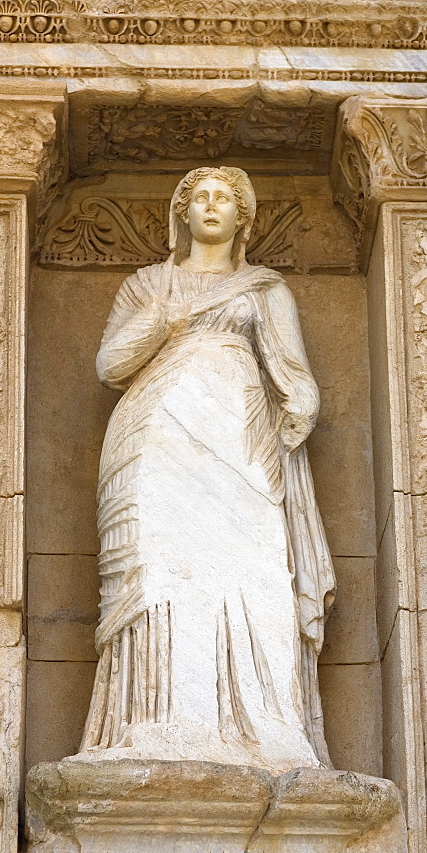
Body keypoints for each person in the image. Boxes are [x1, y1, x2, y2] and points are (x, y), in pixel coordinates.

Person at [79, 166, 335, 773]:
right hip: (155, 440)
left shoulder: (265, 291)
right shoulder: (150, 284)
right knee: (162, 571)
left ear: (243, 217)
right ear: (182, 213)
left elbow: (295, 378)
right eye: (200, 199)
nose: (212, 208)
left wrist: (297, 414)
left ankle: (268, 727)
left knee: (254, 571)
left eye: (225, 199)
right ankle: (157, 722)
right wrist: (167, 320)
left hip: (241, 441)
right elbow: (110, 365)